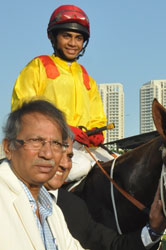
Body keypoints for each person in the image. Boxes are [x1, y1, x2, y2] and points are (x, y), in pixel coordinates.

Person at [11, 4, 113, 182]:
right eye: (67, 36)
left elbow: (98, 117)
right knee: (80, 167)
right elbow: (24, 109)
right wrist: (62, 128)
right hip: (47, 145)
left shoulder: (86, 77)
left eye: (78, 38)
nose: (73, 43)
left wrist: (96, 132)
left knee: (117, 166)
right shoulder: (38, 66)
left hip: (83, 147)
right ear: (53, 37)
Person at [46, 136, 166, 250]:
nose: (65, 164)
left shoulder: (74, 205)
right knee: (83, 166)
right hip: (74, 142)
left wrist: (153, 231)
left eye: (69, 157)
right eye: (60, 155)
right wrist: (73, 131)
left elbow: (114, 244)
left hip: (91, 145)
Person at [0, 99, 85, 250]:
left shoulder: (52, 209)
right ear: (8, 148)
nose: (47, 154)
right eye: (35, 141)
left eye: (56, 144)